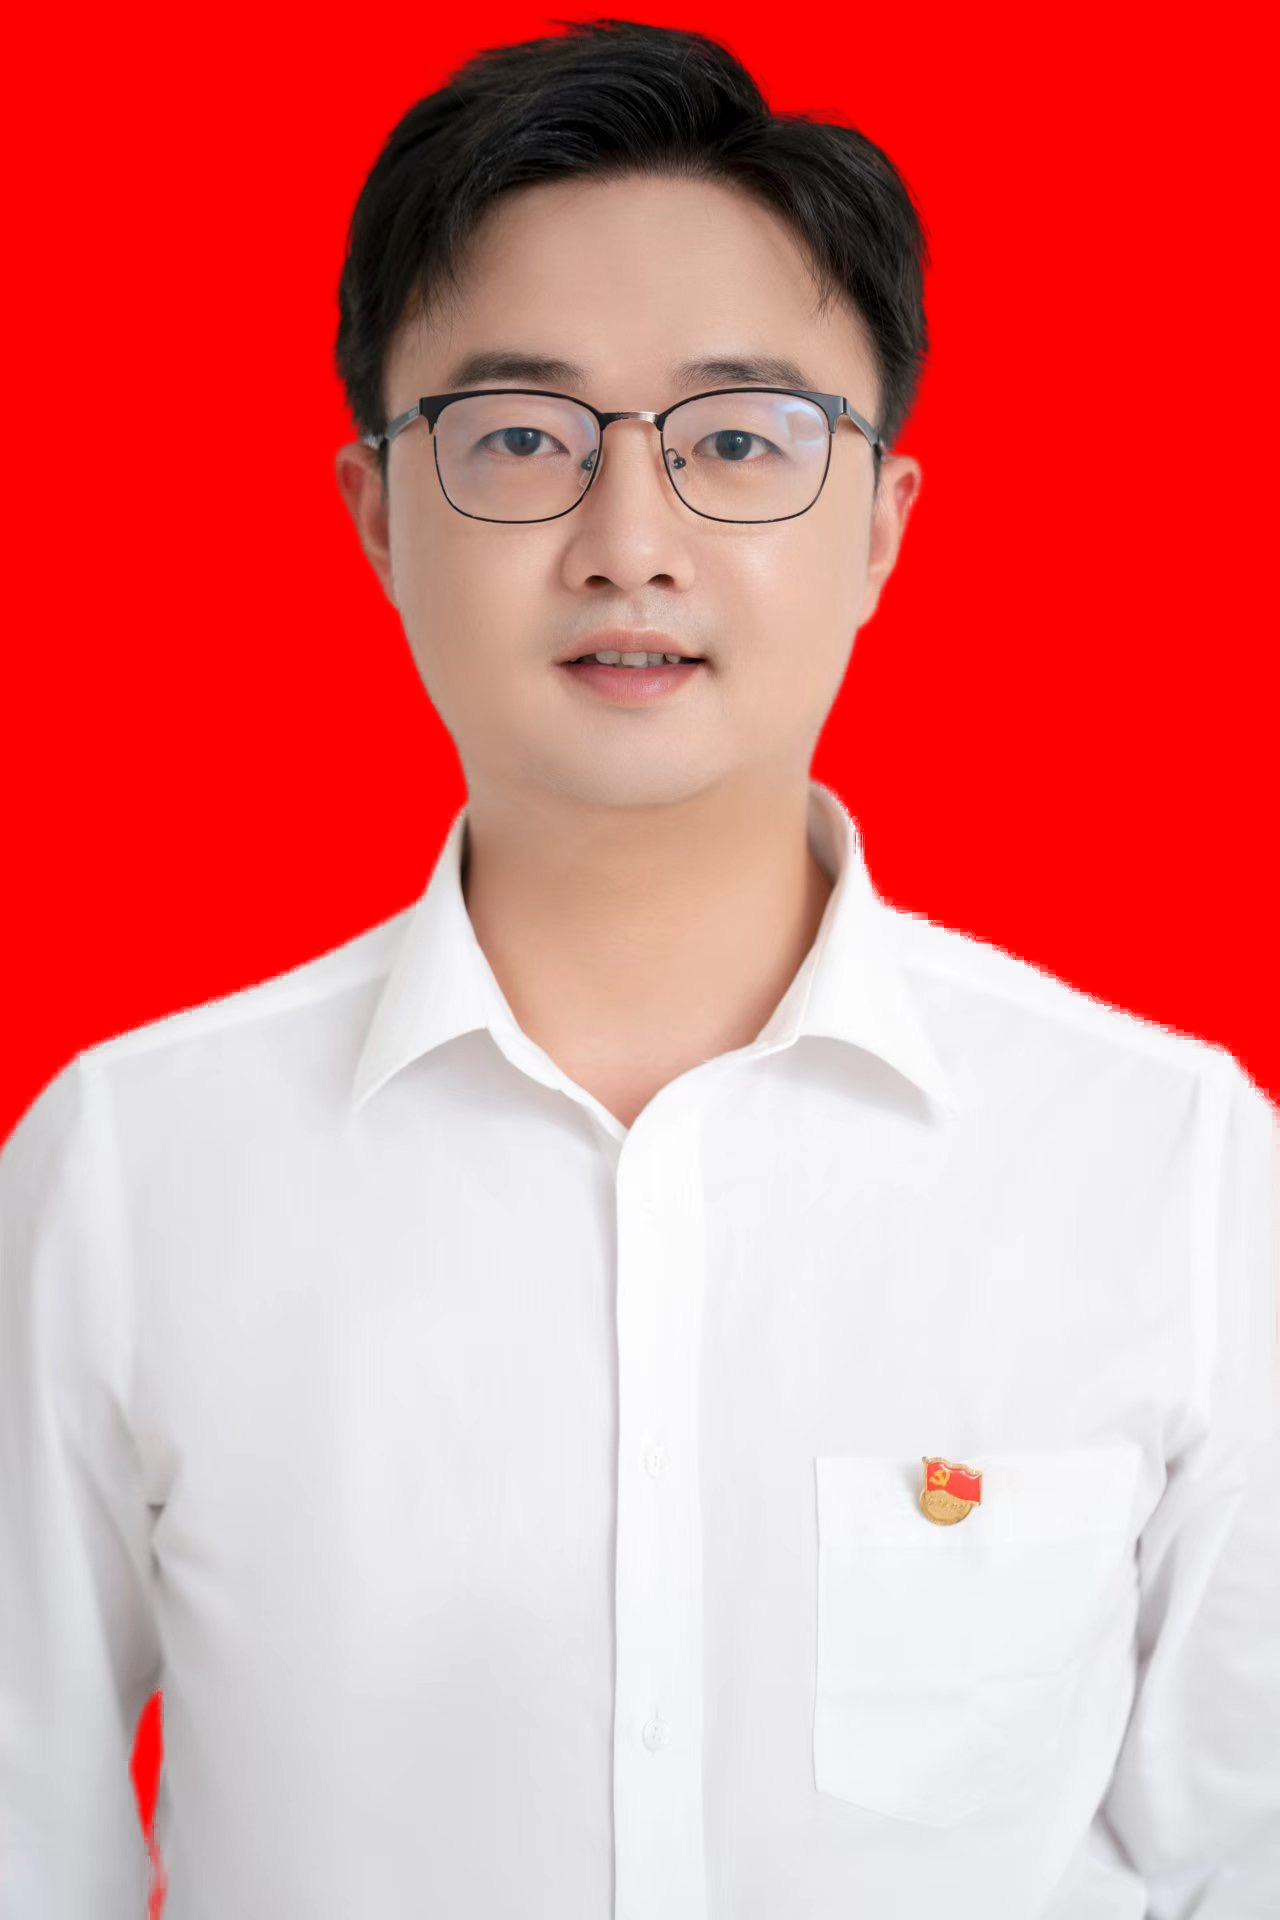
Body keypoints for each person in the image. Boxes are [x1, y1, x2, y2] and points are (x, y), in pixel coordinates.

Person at [2, 18, 1277, 1919]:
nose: (629, 541)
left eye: (738, 442)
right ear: (377, 514)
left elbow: (1236, 1860)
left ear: (881, 528)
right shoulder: (129, 1169)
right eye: (521, 437)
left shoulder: (1168, 1164)